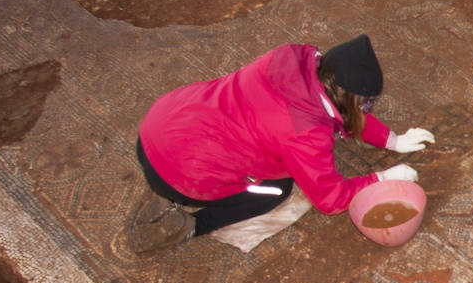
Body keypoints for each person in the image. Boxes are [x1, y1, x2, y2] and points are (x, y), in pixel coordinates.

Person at [127, 34, 434, 254]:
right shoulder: (306, 134)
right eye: (365, 105)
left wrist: (393, 140)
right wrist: (383, 177)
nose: (367, 111)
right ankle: (190, 225)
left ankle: (173, 174)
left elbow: (342, 114)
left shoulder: (290, 59)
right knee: (278, 189)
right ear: (346, 98)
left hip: (162, 122)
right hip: (177, 171)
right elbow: (329, 199)